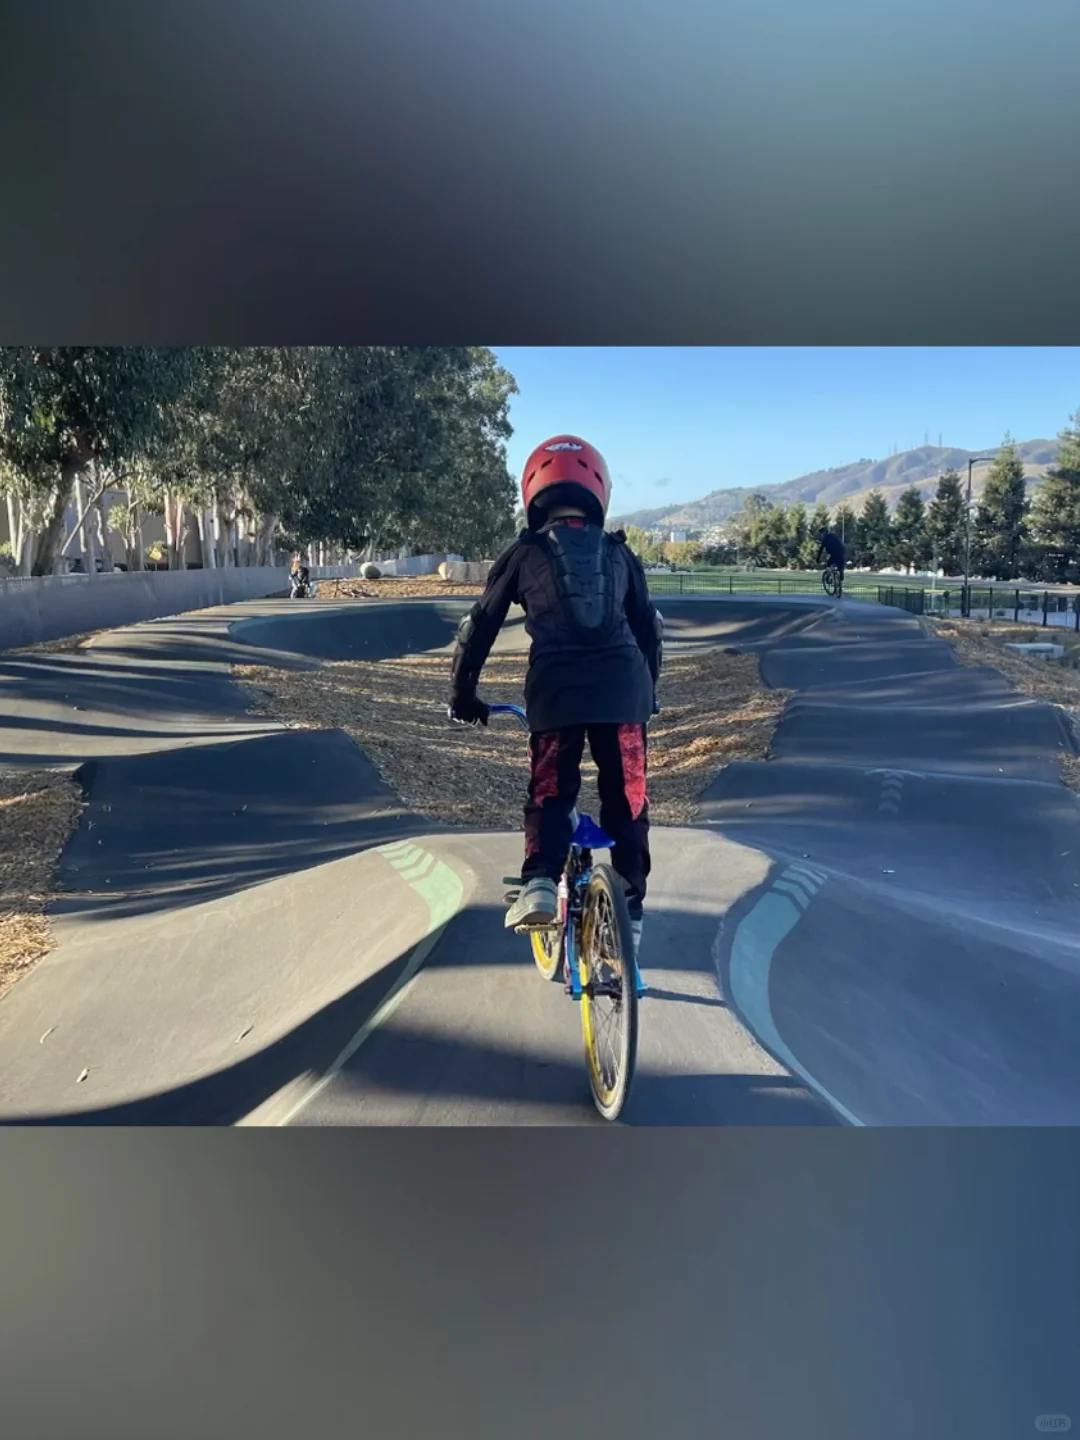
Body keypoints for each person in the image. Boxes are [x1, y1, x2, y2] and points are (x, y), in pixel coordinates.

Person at [448, 434, 663, 962]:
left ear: (534, 491)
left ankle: (540, 883)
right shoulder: (620, 553)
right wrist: (648, 696)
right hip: (623, 690)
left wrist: (463, 694)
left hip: (556, 692)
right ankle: (629, 914)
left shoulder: (526, 551)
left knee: (550, 791)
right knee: (627, 798)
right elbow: (649, 630)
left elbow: (479, 627)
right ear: (598, 490)